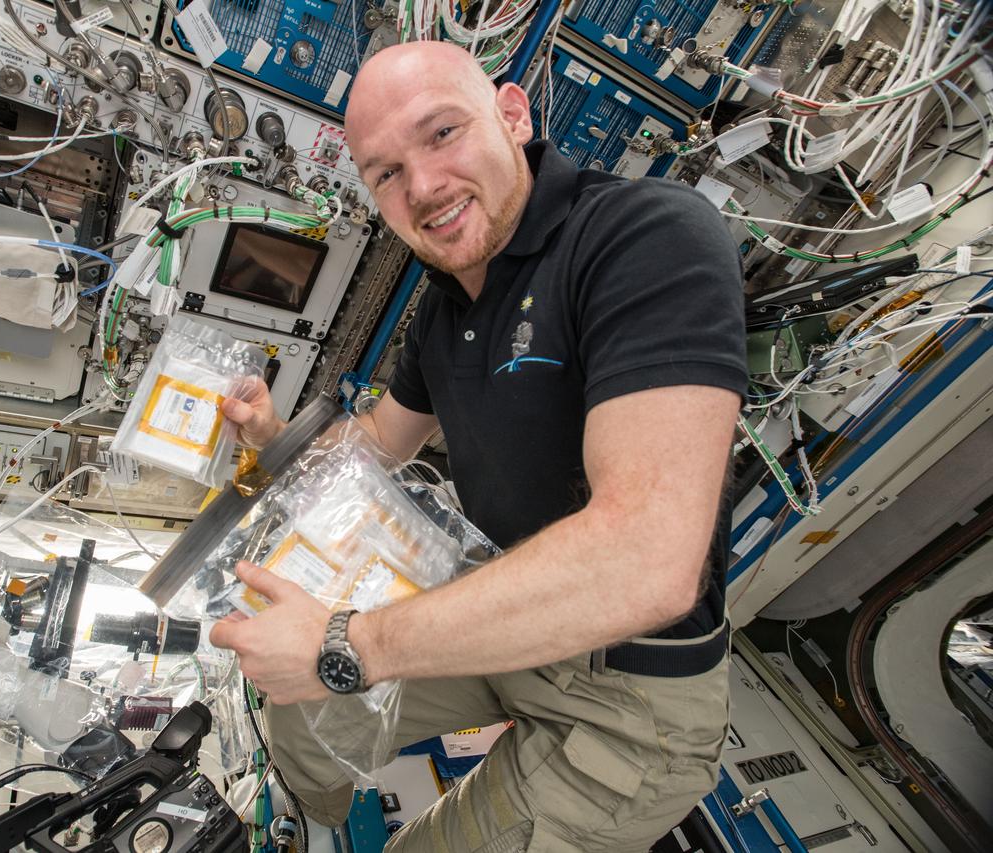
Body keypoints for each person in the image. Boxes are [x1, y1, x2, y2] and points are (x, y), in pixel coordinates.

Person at [209, 40, 746, 852]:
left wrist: (345, 644)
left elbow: (647, 560)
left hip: (630, 695)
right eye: (384, 173)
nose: (422, 188)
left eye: (442, 133)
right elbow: (379, 444)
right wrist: (275, 440)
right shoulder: (443, 306)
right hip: (500, 598)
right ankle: (303, 827)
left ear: (513, 113)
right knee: (300, 706)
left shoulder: (644, 236)